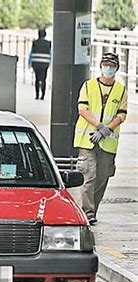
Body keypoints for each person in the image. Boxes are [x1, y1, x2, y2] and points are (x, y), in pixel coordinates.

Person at [74, 53, 128, 225]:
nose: (109, 68)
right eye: (106, 65)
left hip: (108, 141)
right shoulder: (88, 86)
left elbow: (122, 114)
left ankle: (93, 208)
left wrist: (107, 130)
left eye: (112, 66)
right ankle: (87, 211)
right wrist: (98, 126)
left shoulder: (120, 89)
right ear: (100, 66)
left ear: (117, 68)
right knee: (89, 176)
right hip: (87, 139)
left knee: (102, 177)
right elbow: (82, 109)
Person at [29, 29, 51, 100]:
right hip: (45, 63)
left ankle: (37, 95)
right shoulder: (48, 43)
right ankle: (43, 96)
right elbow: (51, 54)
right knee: (44, 79)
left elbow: (31, 53)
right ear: (45, 35)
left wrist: (29, 63)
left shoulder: (35, 43)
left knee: (37, 79)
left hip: (36, 63)